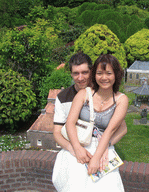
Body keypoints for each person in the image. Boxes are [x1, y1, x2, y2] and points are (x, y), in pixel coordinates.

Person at [52, 53, 128, 191]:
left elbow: (119, 129)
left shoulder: (117, 98)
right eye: (76, 73)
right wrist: (75, 149)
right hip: (78, 145)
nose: (80, 78)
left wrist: (104, 148)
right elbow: (61, 129)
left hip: (101, 145)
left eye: (85, 72)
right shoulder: (66, 97)